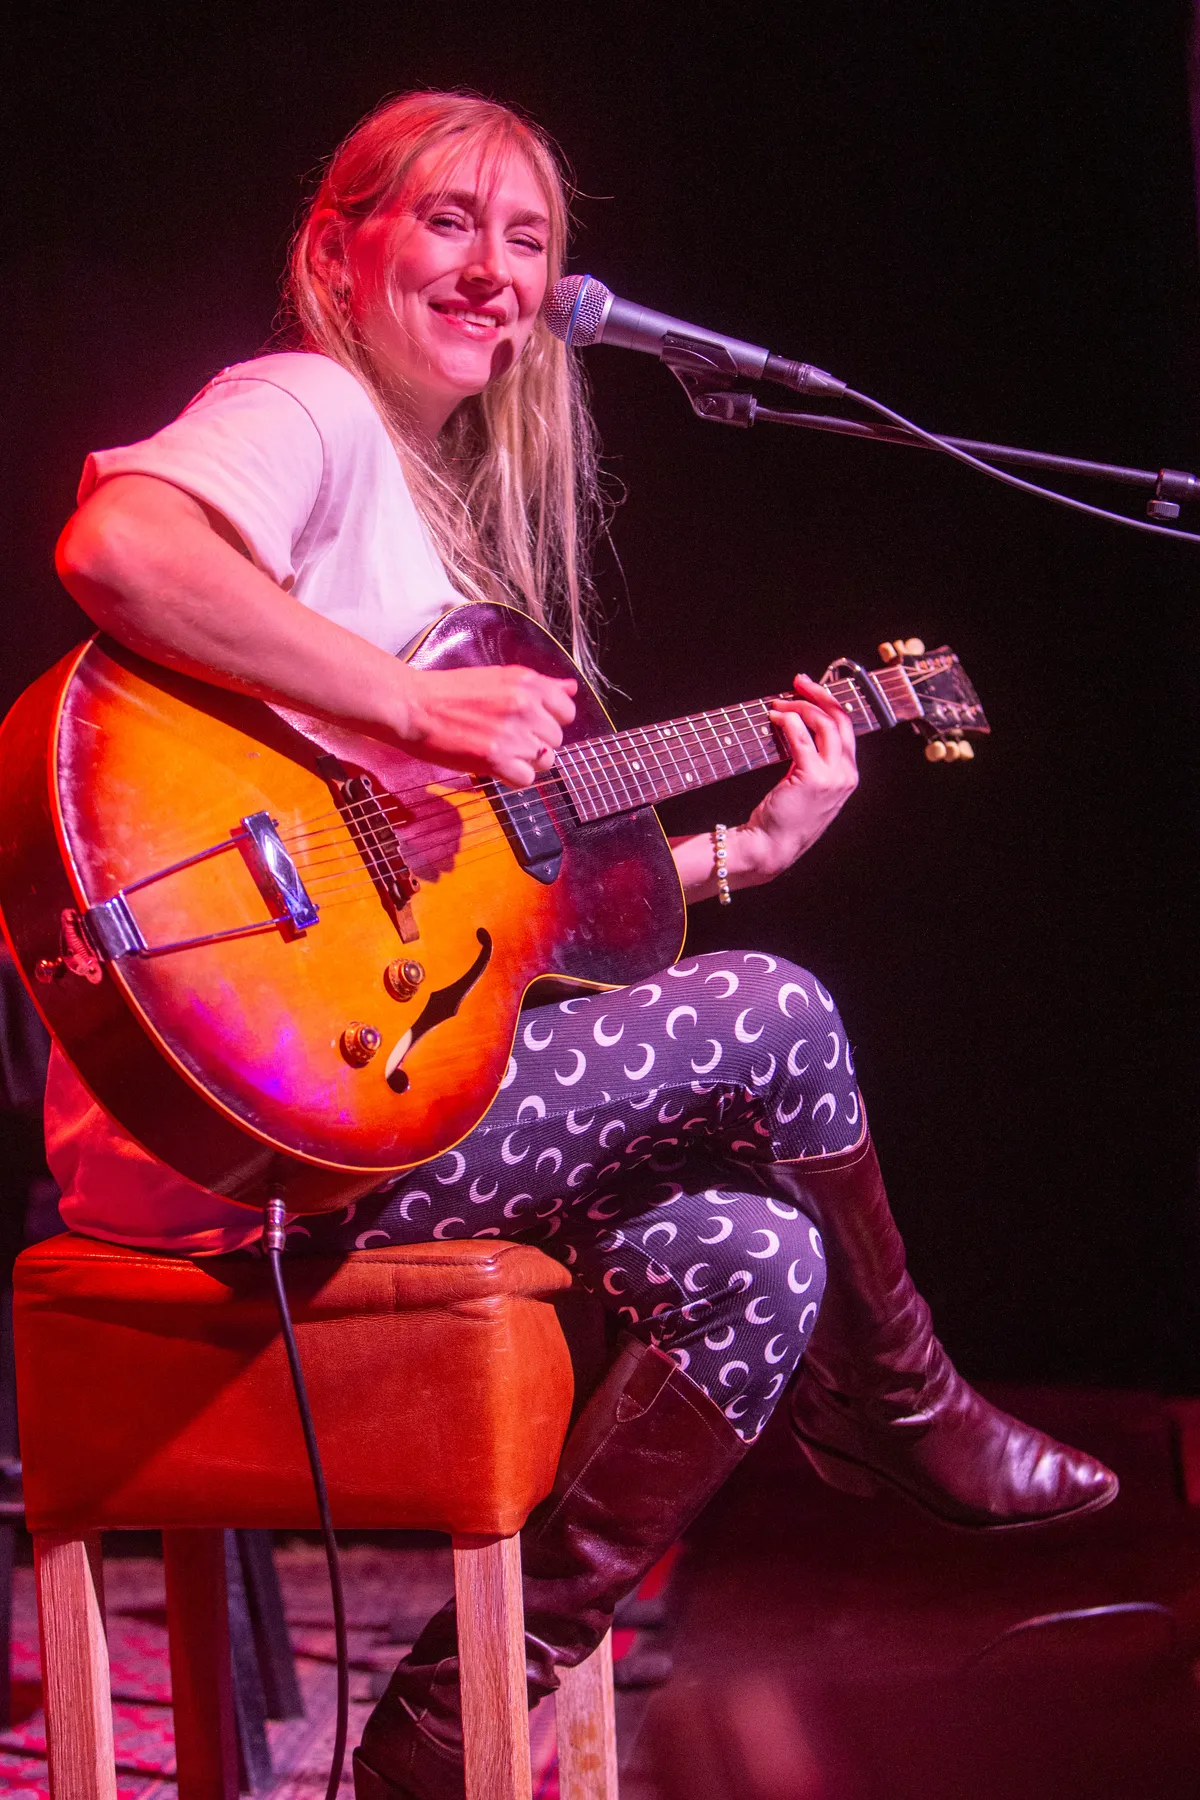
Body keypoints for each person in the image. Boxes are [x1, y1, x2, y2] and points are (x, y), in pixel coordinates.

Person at [50, 90, 1117, 1800]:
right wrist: (408, 702)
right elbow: (119, 545)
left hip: (367, 1099)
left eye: (529, 240)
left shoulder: (433, 523)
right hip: (248, 1133)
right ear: (336, 249)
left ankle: (438, 1727)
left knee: (757, 1263)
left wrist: (740, 850)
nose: (495, 270)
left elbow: (489, 922)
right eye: (448, 221)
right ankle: (904, 1396)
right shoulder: (306, 407)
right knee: (776, 1014)